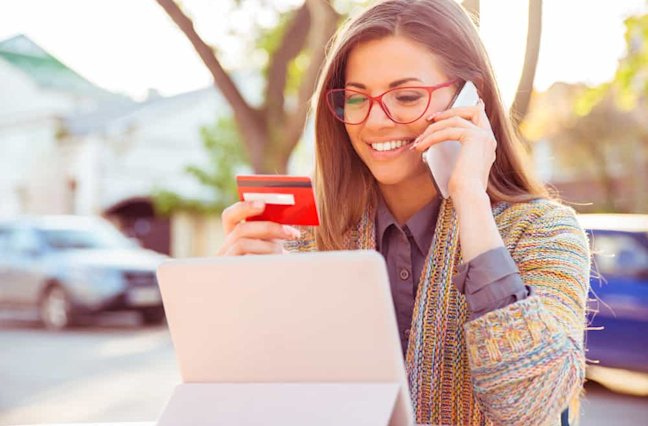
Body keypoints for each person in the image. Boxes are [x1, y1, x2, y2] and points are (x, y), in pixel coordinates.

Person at [217, 0, 591, 425]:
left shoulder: (544, 233)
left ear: (472, 97)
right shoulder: (301, 239)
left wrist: (471, 200)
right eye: (356, 99)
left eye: (407, 96)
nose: (375, 122)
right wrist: (244, 308)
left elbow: (529, 406)